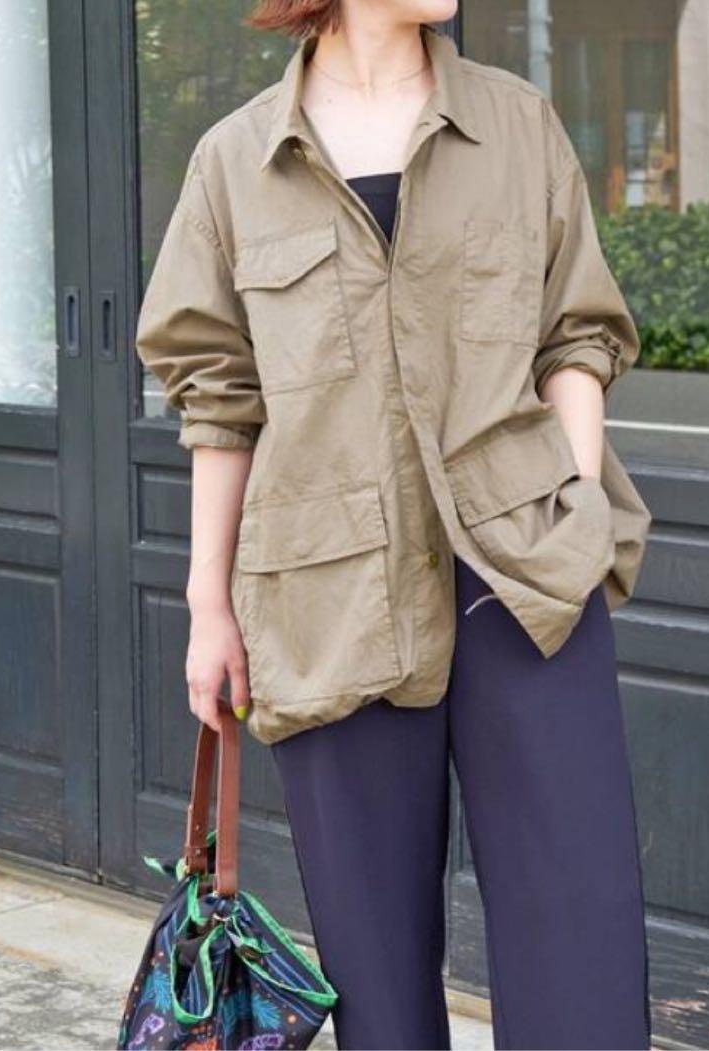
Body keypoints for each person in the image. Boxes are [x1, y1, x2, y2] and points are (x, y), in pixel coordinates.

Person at [135, 1, 653, 1047]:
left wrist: (577, 502)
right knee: (376, 979)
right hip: (328, 592)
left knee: (581, 950)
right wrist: (208, 605)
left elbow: (577, 335)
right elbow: (220, 401)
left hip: (524, 579)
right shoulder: (236, 163)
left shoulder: (517, 125)